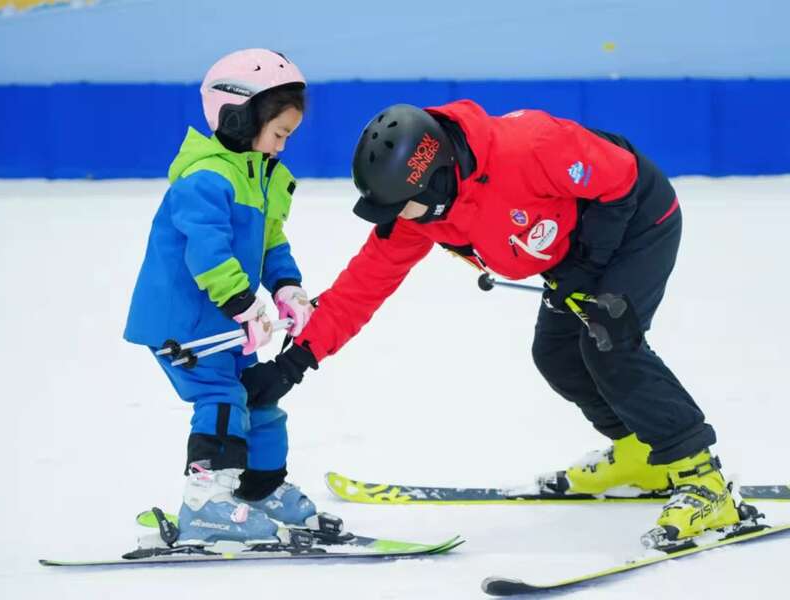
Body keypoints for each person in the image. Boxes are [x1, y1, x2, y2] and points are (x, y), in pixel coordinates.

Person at [241, 99, 753, 545]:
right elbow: (361, 288)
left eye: (404, 205)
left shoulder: (530, 146)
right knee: (556, 355)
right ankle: (639, 455)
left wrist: (583, 266)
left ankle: (704, 484)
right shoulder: (425, 211)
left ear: (436, 175)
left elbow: (619, 177)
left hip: (639, 220)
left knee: (609, 344)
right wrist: (294, 362)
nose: (400, 218)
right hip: (571, 255)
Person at [124, 49, 321, 546]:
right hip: (185, 319)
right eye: (278, 133)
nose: (280, 147)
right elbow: (206, 252)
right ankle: (206, 504)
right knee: (221, 398)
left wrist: (286, 285)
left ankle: (260, 488)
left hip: (226, 319)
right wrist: (241, 301)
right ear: (238, 116)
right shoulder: (206, 177)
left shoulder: (259, 173)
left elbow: (271, 238)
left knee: (259, 396)